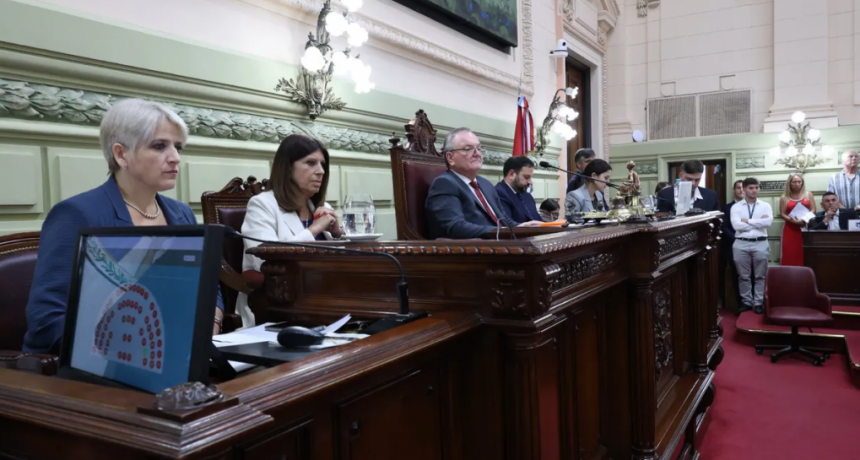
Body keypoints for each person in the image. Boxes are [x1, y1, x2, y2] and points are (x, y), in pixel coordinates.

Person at [23, 99, 224, 354]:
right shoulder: (77, 214)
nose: (175, 158)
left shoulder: (181, 213)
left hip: (172, 354)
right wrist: (131, 350)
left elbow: (209, 286)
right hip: (89, 367)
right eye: (159, 146)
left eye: (178, 147)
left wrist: (212, 322)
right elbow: (47, 317)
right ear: (121, 154)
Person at [239, 134, 342, 326]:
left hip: (326, 296)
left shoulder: (320, 206)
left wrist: (337, 233)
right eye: (310, 163)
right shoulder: (262, 204)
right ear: (287, 168)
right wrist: (314, 230)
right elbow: (262, 258)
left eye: (322, 164)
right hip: (281, 305)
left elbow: (339, 258)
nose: (320, 171)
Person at [731, 178, 773, 314]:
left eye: (756, 187)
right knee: (743, 276)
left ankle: (759, 302)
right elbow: (736, 225)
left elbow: (768, 222)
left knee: (760, 276)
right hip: (740, 243)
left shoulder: (765, 205)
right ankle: (747, 302)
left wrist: (748, 221)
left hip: (760, 242)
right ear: (743, 189)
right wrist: (758, 221)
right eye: (751, 188)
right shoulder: (736, 207)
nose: (754, 190)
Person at [778, 173, 815, 266]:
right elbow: (782, 213)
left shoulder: (808, 194)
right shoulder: (784, 197)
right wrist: (794, 221)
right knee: (789, 253)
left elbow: (813, 210)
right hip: (790, 229)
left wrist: (805, 220)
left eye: (799, 182)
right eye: (794, 182)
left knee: (803, 253)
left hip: (804, 227)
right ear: (789, 183)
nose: (797, 184)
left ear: (802, 183)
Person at [656, 160, 720, 213]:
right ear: (680, 175)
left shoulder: (711, 196)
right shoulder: (665, 195)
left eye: (697, 179)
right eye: (689, 179)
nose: (693, 183)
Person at [495, 156, 543, 224]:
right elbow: (507, 225)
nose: (530, 182)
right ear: (511, 174)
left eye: (530, 177)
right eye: (526, 177)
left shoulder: (528, 196)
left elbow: (538, 221)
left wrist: (555, 224)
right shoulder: (499, 193)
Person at [721, 180, 744, 310]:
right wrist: (737, 239)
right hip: (732, 246)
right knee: (737, 275)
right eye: (738, 188)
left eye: (743, 188)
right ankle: (740, 304)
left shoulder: (753, 207)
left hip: (750, 244)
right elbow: (724, 228)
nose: (741, 190)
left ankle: (753, 304)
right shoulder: (727, 207)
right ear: (733, 190)